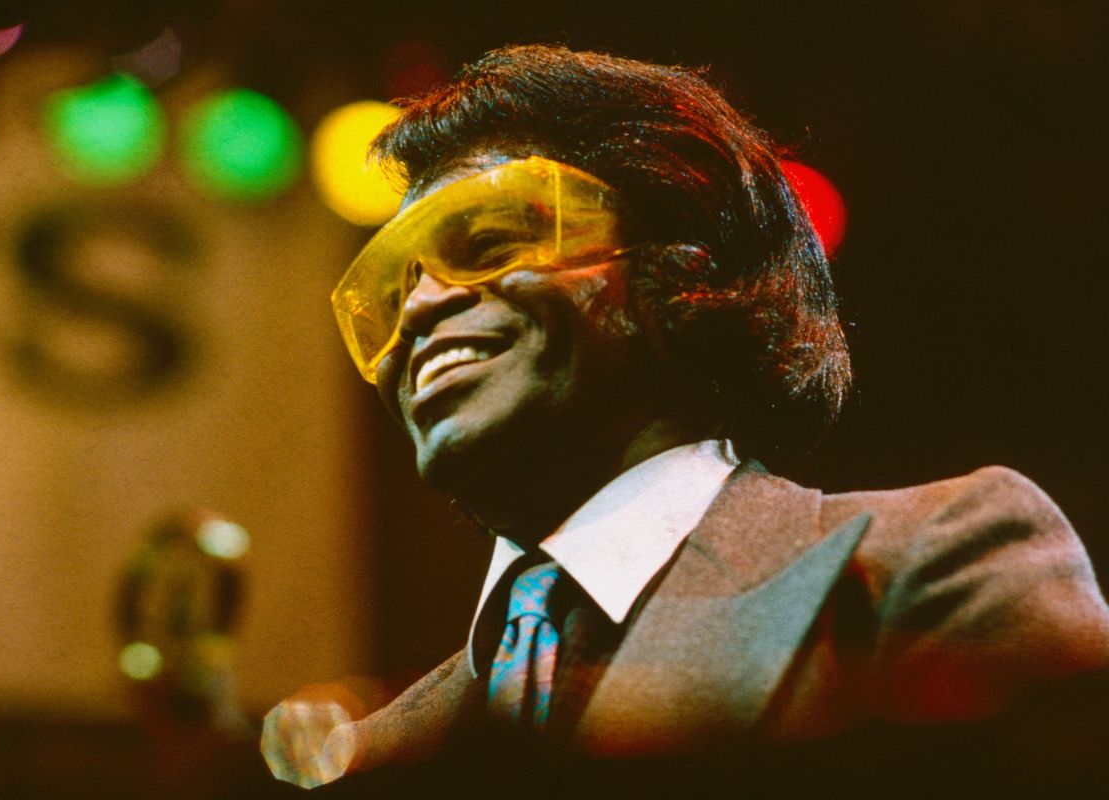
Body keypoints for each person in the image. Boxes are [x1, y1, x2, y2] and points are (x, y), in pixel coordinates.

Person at [263, 44, 1109, 796]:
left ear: (682, 277)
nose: (420, 309)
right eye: (390, 290)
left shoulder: (928, 562)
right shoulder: (373, 755)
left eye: (487, 244)